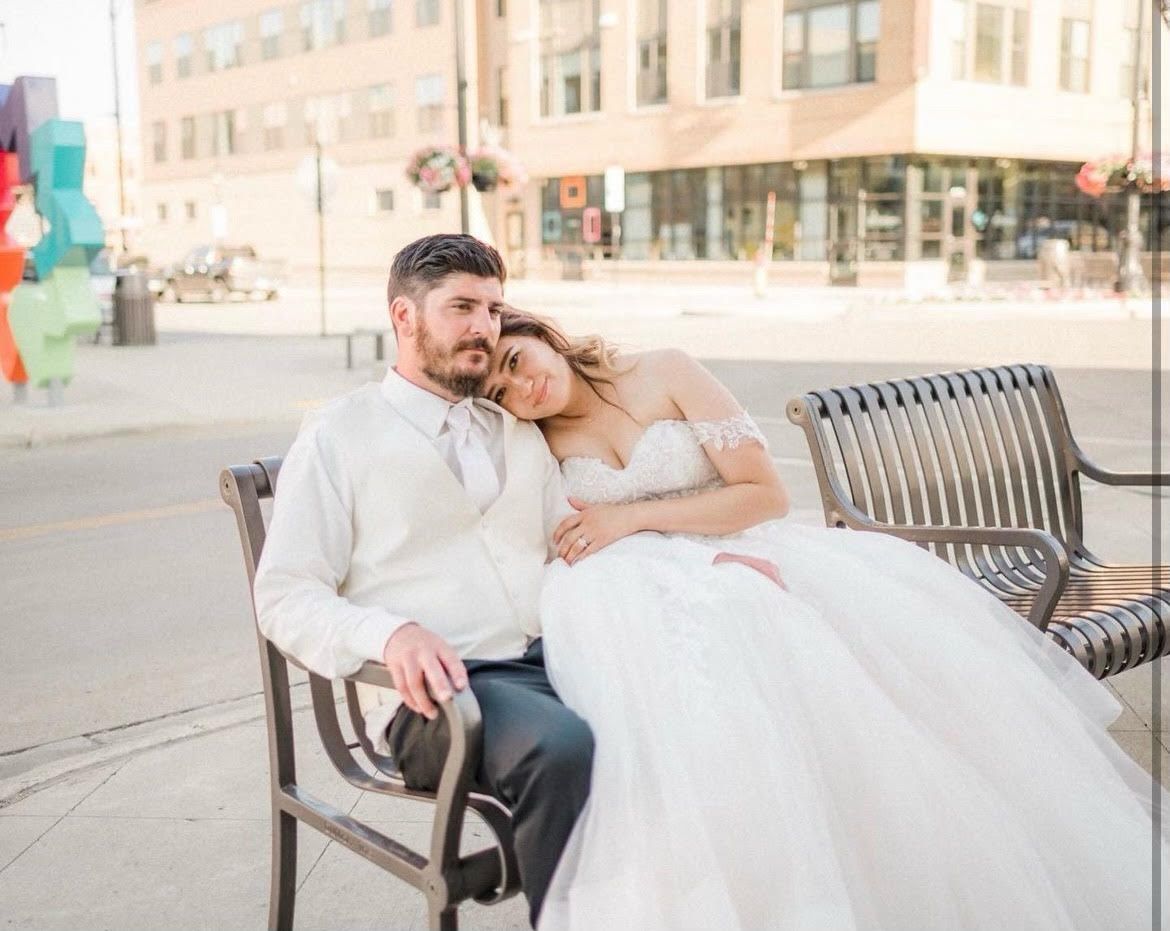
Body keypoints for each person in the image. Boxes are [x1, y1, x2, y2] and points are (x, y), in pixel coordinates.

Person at [482, 307, 1170, 931]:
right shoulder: (537, 444)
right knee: (692, 693)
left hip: (748, 542)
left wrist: (632, 515)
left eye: (518, 361)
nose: (523, 388)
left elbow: (765, 494)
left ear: (546, 335)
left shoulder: (665, 369)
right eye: (502, 393)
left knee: (804, 655)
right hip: (660, 581)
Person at [252, 235, 592, 927]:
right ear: (404, 317)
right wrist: (391, 633)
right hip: (439, 696)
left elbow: (576, 546)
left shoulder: (516, 429)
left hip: (553, 659)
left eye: (494, 309)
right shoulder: (338, 434)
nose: (484, 328)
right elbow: (284, 595)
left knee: (678, 711)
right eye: (462, 306)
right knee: (564, 748)